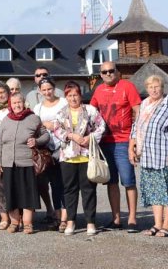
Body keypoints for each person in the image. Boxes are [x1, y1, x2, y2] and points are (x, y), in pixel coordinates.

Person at [89, 61, 142, 232]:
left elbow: (138, 111)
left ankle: (132, 218)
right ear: (100, 74)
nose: (108, 74)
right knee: (111, 181)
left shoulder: (127, 86)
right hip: (105, 142)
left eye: (111, 71)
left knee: (128, 180)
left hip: (123, 141)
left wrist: (136, 138)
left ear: (118, 72)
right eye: (104, 72)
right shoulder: (98, 89)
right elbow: (90, 112)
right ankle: (116, 218)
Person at [130, 75, 168, 238]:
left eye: (156, 87)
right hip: (147, 155)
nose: (154, 90)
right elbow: (136, 126)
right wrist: (132, 146)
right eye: (150, 87)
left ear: (162, 88)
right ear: (147, 89)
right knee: (154, 191)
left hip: (164, 155)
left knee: (167, 190)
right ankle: (157, 224)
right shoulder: (144, 104)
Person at [53, 81, 106, 236]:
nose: (73, 98)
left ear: (80, 95)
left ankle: (90, 222)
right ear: (66, 97)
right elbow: (56, 129)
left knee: (89, 190)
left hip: (86, 155)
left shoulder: (90, 110)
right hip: (68, 156)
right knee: (70, 190)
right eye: (69, 95)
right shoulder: (61, 113)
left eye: (75, 95)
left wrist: (90, 137)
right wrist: (70, 135)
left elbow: (101, 126)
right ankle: (71, 221)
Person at [0, 90, 49, 235]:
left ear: (24, 103)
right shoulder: (6, 120)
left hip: (27, 162)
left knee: (27, 194)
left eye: (19, 102)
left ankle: (28, 223)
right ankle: (14, 222)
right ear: (10, 105)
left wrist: (36, 141)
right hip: (8, 163)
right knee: (11, 194)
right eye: (14, 103)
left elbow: (46, 135)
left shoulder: (33, 118)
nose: (17, 105)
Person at [34, 77, 68, 230]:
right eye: (44, 90)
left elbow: (69, 120)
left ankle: (66, 217)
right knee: (54, 184)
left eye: (49, 89)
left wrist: (54, 124)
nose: (47, 92)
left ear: (54, 89)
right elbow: (36, 126)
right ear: (40, 91)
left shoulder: (63, 103)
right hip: (47, 150)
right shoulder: (38, 108)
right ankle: (58, 216)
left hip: (63, 147)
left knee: (64, 183)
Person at [0, 77, 23, 227]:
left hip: (11, 151)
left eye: (2, 92)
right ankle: (4, 218)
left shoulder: (13, 108)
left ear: (8, 93)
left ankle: (17, 217)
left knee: (14, 185)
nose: (0, 95)